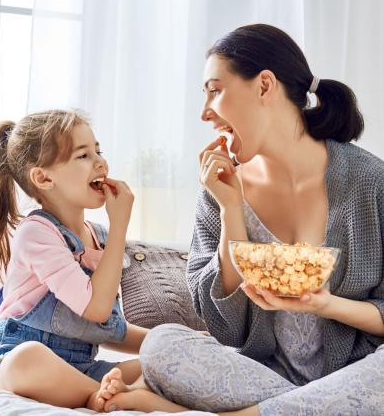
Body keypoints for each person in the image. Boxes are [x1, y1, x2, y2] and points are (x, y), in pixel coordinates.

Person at [136, 24, 384, 415]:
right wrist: (230, 210)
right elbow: (224, 327)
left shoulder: (370, 183)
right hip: (263, 375)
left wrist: (326, 305)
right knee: (161, 344)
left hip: (356, 374)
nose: (204, 113)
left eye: (215, 91)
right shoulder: (219, 189)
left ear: (265, 85)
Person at [0, 109, 186, 412]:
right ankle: (114, 397)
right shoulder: (35, 233)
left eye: (98, 150)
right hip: (20, 362)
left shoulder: (98, 237)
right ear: (44, 177)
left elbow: (107, 327)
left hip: (81, 369)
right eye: (84, 155)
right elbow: (96, 308)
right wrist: (120, 228)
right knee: (26, 359)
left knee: (169, 362)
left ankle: (115, 393)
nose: (101, 162)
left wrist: (169, 341)